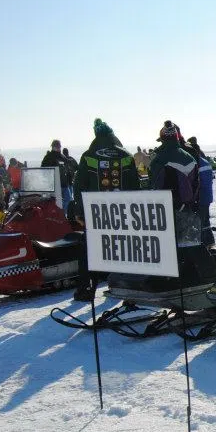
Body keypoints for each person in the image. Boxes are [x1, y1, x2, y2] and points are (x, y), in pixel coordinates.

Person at [72, 118, 141, 300]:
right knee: (123, 250)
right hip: (123, 214)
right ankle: (124, 288)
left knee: (90, 252)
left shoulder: (88, 156)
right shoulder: (126, 155)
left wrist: (79, 212)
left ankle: (86, 290)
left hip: (96, 215)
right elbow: (136, 185)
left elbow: (79, 186)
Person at [150, 120, 199, 211]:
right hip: (189, 207)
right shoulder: (190, 157)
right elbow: (196, 183)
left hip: (168, 208)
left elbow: (155, 185)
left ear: (163, 138)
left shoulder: (159, 159)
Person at [187, 136, 215, 245]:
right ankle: (210, 244)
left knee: (202, 224)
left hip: (201, 197)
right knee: (206, 222)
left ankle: (204, 245)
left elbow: (198, 183)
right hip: (207, 197)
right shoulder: (204, 162)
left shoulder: (197, 163)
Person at [42, 139, 75, 213]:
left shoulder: (62, 156)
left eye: (58, 146)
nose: (57, 148)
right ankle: (59, 215)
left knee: (68, 199)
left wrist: (71, 163)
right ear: (53, 147)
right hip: (54, 185)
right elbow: (43, 170)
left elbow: (68, 164)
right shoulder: (48, 157)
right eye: (55, 146)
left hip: (64, 183)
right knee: (57, 202)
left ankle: (63, 214)